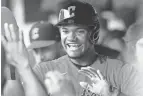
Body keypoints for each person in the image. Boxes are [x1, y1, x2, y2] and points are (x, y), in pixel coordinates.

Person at [1, 1, 143, 96]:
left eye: (79, 31)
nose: (71, 38)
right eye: (65, 31)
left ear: (93, 33)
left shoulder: (120, 70)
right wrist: (15, 68)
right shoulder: (44, 70)